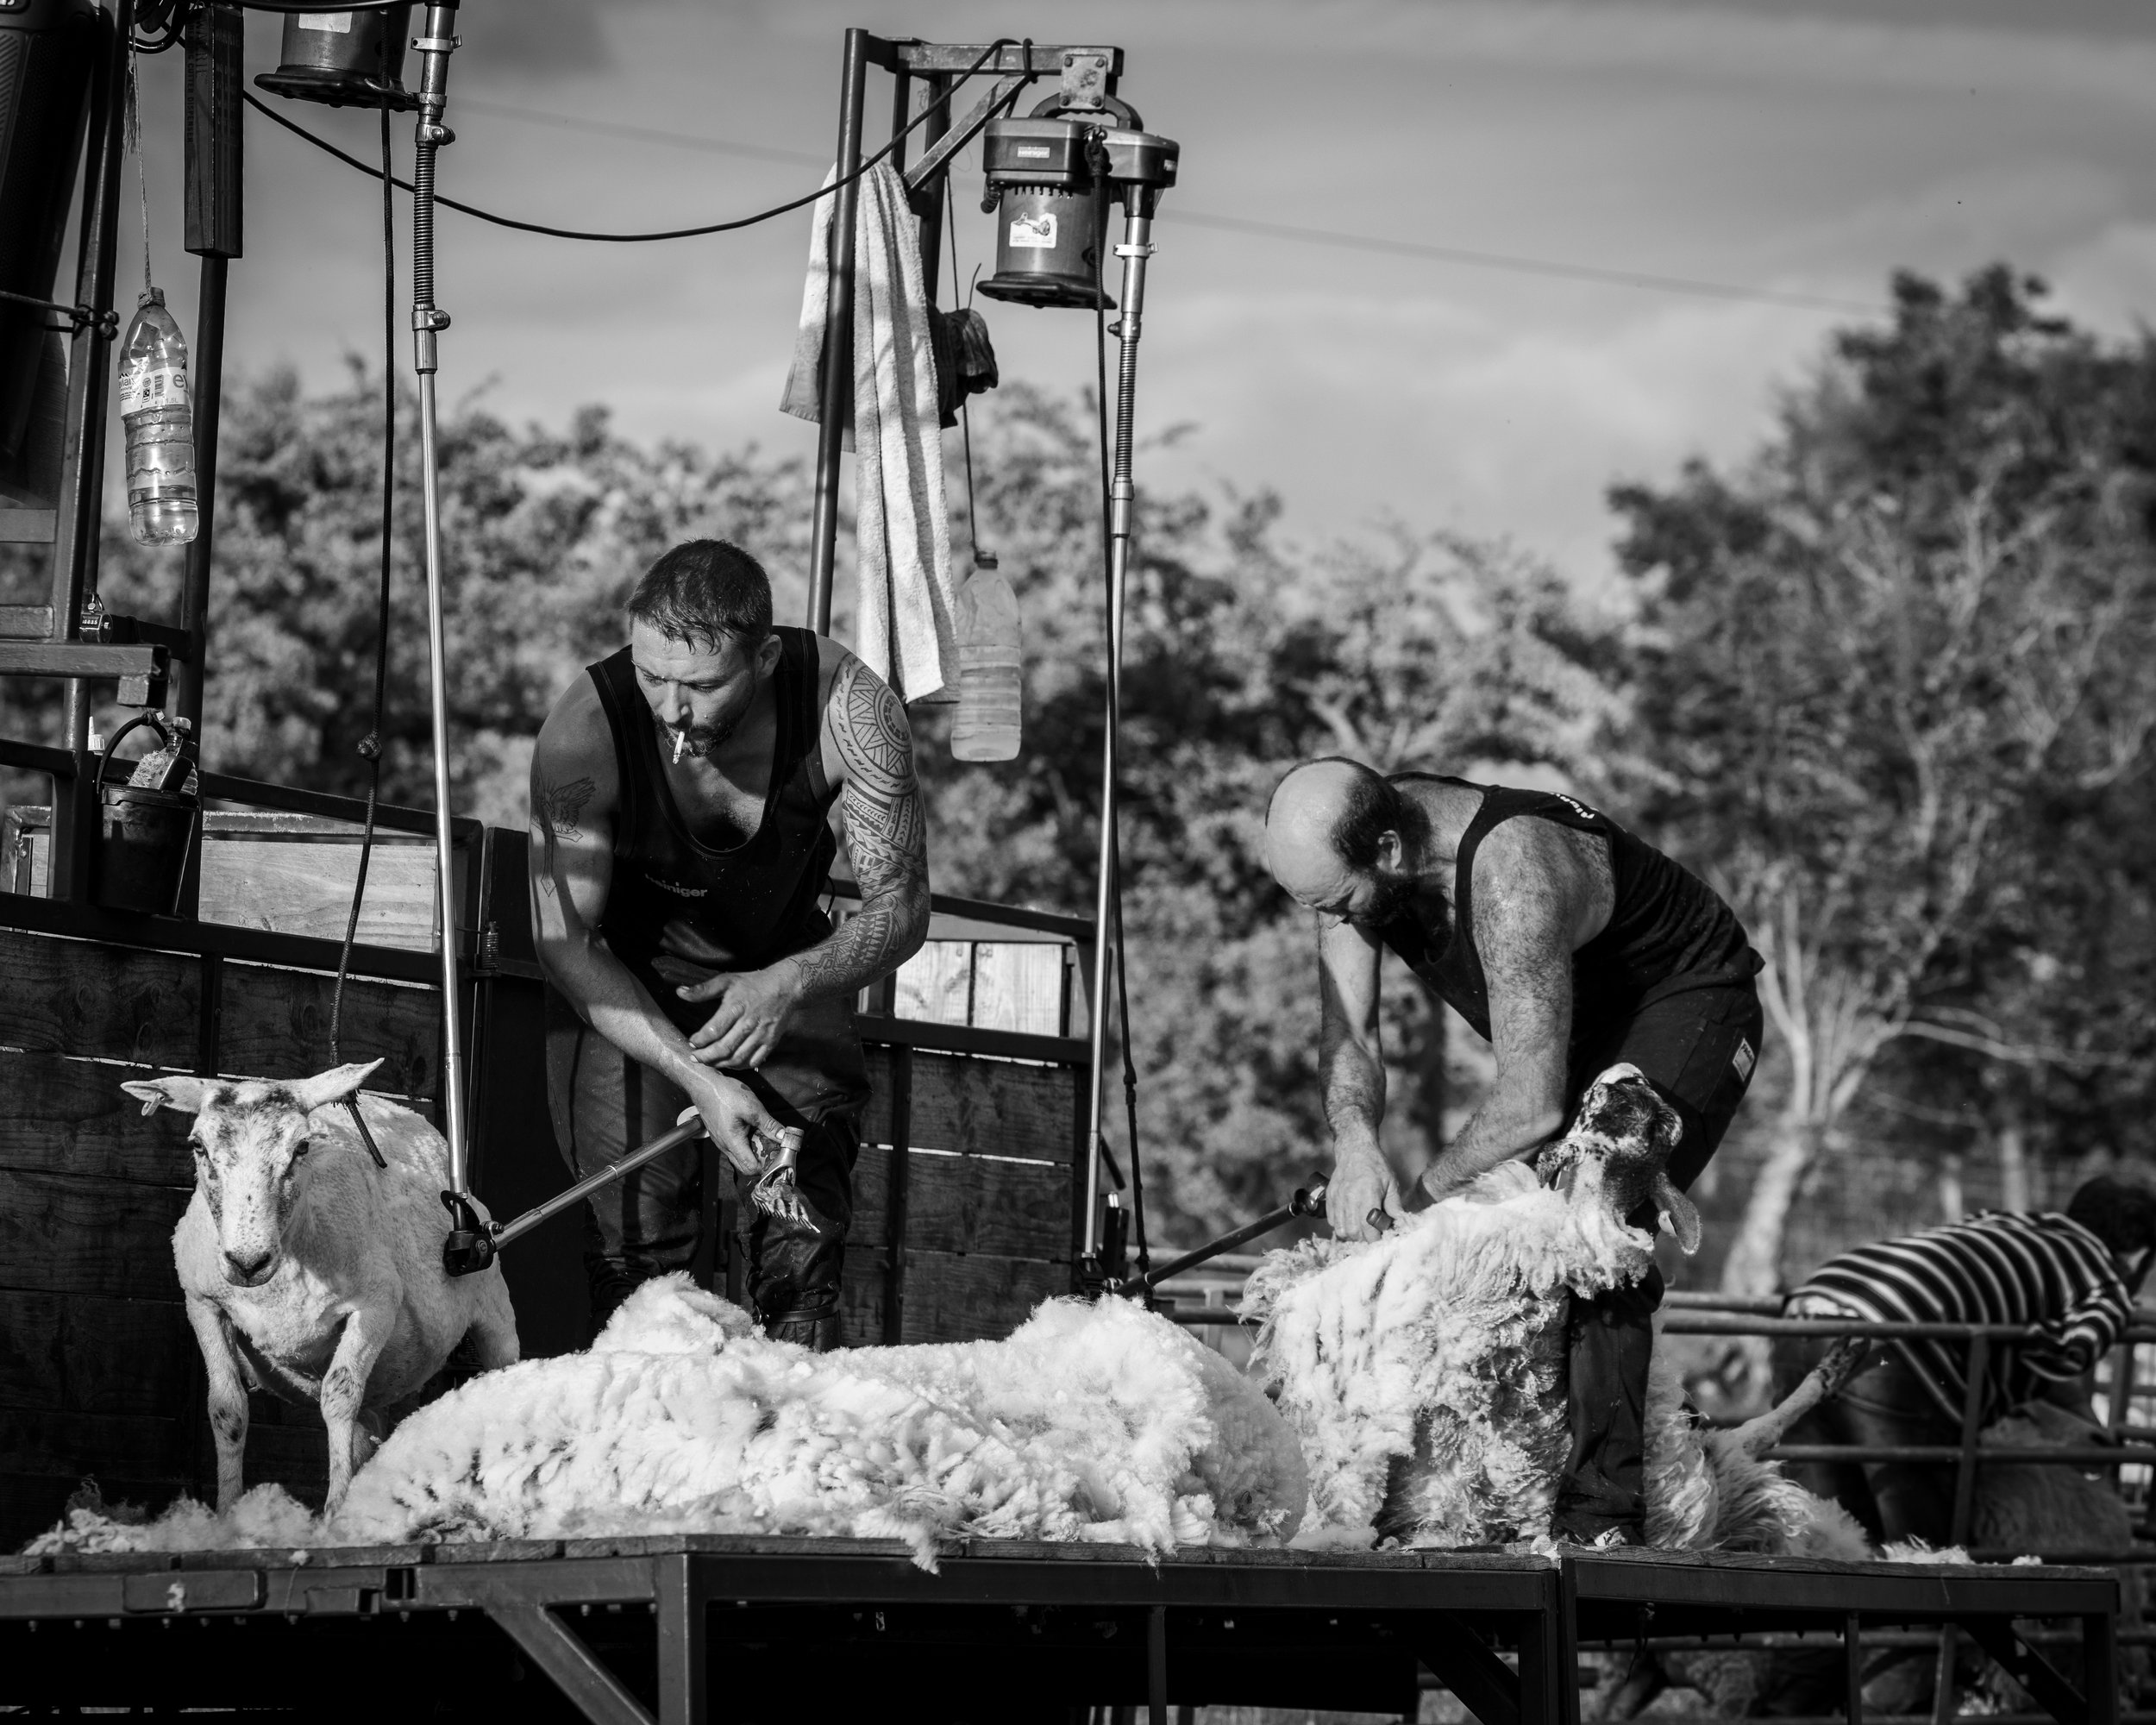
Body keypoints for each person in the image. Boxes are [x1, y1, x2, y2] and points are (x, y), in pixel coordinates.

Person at [1263, 758, 1765, 1545]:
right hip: (1576, 1036)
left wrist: (1421, 1204)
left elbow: (1531, 1105)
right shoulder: (1358, 858)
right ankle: (1534, 1481)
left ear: (1389, 850)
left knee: (1590, 1209)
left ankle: (1603, 1520)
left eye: (1338, 902)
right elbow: (1351, 1033)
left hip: (1689, 998)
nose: (1334, 919)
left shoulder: (1513, 873)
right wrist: (1356, 1142)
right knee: (1501, 1255)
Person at [529, 538, 931, 1348]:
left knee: (802, 1252)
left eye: (703, 686)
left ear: (766, 658)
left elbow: (904, 906)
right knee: (637, 1267)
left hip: (788, 970)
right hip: (626, 983)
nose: (672, 710)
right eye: (652, 677)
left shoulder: (850, 709)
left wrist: (788, 983)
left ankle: (792, 1415)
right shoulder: (583, 735)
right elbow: (564, 942)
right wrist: (695, 1077)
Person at [1776, 1176, 2156, 1548]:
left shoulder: (2001, 1220)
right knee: (1920, 1547)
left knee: (1824, 1530)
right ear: (2140, 1258)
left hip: (1809, 1312)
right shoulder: (2106, 1284)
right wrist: (2016, 1365)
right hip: (1892, 1345)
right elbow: (2072, 1352)